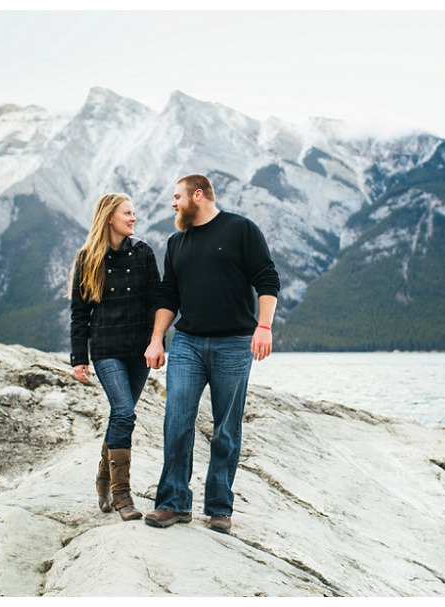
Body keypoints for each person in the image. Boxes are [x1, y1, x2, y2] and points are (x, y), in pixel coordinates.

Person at [144, 174, 280, 534]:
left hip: (235, 343)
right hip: (187, 343)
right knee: (177, 421)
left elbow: (267, 278)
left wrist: (263, 327)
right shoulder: (176, 242)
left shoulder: (240, 230)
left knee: (226, 429)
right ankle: (173, 503)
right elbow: (168, 296)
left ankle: (220, 507)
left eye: (177, 196)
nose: (173, 203)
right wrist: (157, 339)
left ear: (198, 194)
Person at [69, 193, 161, 521]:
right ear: (110, 217)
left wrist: (157, 342)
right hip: (106, 350)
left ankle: (102, 480)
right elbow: (80, 313)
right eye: (127, 213)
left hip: (139, 351)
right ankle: (123, 496)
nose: (133, 218)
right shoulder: (87, 258)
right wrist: (79, 358)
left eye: (133, 213)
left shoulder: (144, 253)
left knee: (120, 417)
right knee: (123, 413)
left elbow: (156, 303)